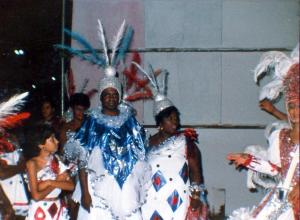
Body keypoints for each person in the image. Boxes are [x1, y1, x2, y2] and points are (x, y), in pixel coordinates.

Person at [227, 48, 299, 220]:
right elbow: (276, 171)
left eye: (299, 106)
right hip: (281, 200)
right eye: (291, 106)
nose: (295, 112)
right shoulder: (281, 136)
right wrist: (250, 161)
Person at [132, 63, 208, 220]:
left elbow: (196, 171)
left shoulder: (186, 141)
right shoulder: (146, 143)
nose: (175, 122)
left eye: (176, 118)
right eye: (170, 118)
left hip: (177, 199)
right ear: (160, 123)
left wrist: (195, 197)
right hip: (152, 200)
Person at [24, 124, 74, 220]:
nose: (57, 141)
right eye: (52, 139)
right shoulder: (32, 164)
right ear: (41, 145)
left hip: (57, 208)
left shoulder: (57, 159)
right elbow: (36, 196)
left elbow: (71, 186)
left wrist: (49, 182)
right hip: (40, 210)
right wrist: (55, 183)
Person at [59, 93, 90, 220]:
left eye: (84, 109)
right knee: (72, 204)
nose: (81, 112)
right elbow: (61, 153)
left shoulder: (90, 126)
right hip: (71, 169)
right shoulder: (66, 128)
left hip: (88, 168)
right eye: (78, 109)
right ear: (72, 109)